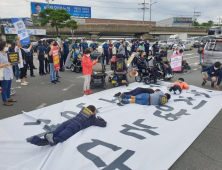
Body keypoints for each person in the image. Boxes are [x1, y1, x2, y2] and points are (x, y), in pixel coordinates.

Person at [27, 105, 107, 146]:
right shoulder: (93, 118)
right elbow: (103, 124)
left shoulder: (82, 111)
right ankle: (40, 140)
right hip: (75, 126)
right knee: (59, 138)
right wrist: (101, 119)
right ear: (93, 112)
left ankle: (37, 139)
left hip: (68, 122)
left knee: (54, 132)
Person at [0, 41, 17, 106]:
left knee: (8, 87)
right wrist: (5, 64)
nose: (7, 47)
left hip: (9, 73)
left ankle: (8, 98)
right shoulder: (0, 54)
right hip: (3, 74)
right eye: (6, 46)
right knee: (4, 88)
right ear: (2, 46)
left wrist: (13, 63)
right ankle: (5, 101)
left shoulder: (7, 53)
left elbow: (9, 63)